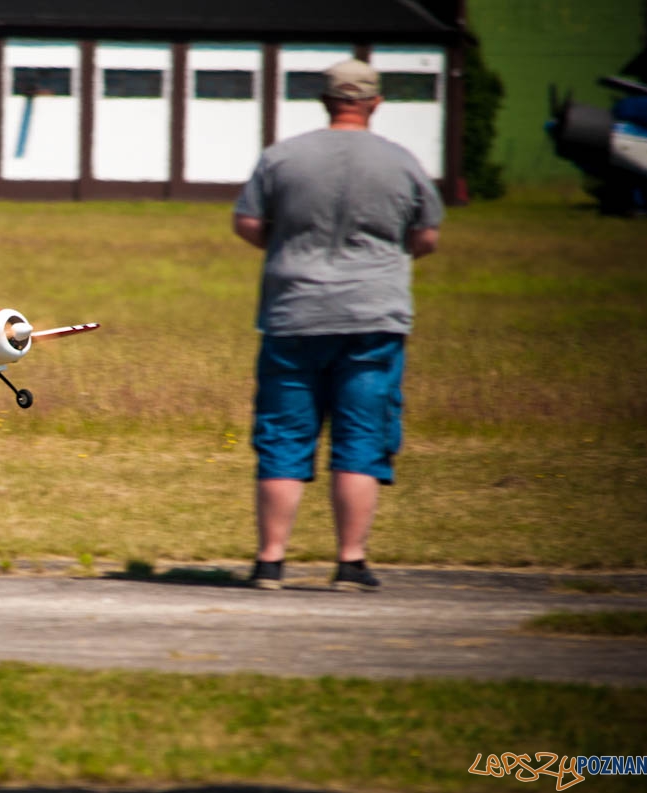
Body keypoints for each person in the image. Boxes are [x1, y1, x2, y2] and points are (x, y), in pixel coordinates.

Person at [232, 58, 444, 592]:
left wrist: (286, 251)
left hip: (294, 312)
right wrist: (388, 262)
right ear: (375, 102)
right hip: (375, 315)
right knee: (361, 434)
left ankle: (270, 561)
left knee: (284, 434)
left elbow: (249, 222)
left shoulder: (283, 157)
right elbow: (427, 235)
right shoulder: (401, 161)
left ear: (326, 100)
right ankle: (350, 562)